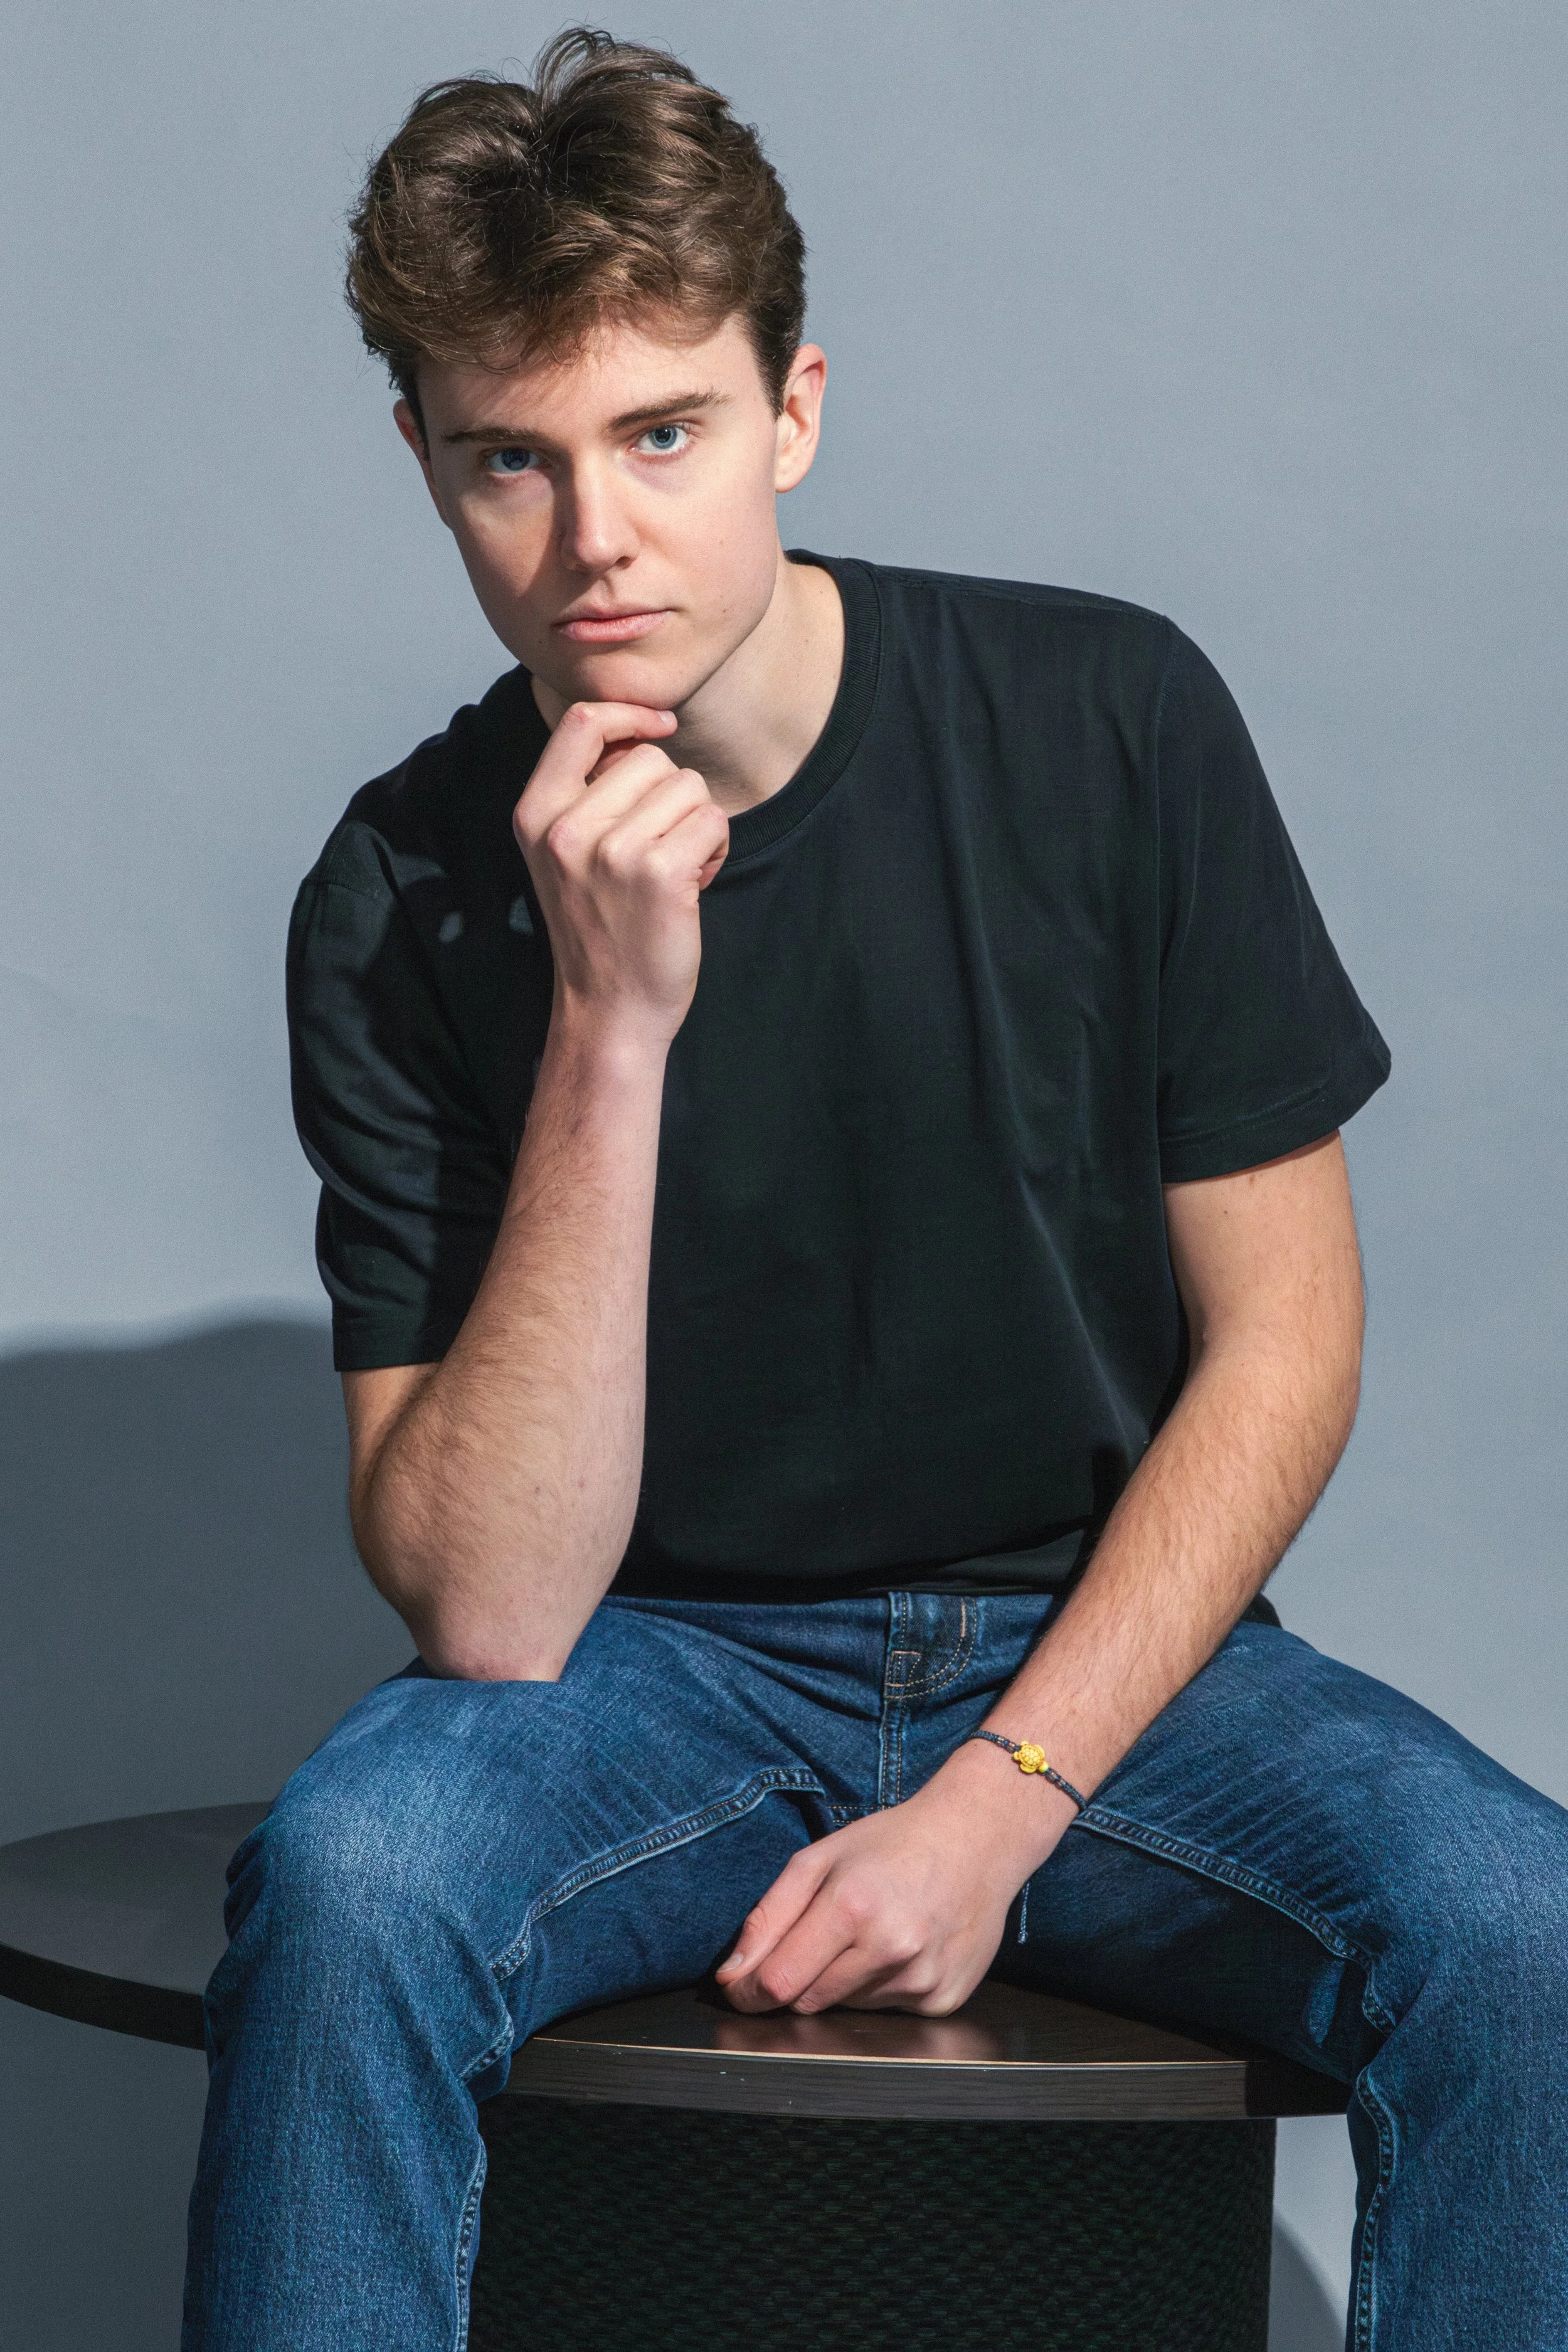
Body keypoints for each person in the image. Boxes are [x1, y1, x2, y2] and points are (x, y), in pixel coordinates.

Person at [182, 29, 1568, 2351]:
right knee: (352, 1877)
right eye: (509, 461)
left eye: (661, 435)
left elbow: (1288, 1342)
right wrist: (611, 1025)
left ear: (792, 411)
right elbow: (497, 1614)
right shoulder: (397, 890)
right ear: (420, 461)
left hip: (1113, 1649)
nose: (593, 540)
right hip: (654, 1669)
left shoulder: (1108, 721)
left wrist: (1006, 1796)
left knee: (1521, 1929)